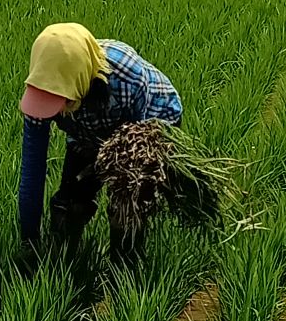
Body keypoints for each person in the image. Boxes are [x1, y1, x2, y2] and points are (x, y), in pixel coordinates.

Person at [17, 22, 182, 243]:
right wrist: (29, 241)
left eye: (60, 100)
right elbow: (32, 170)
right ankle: (61, 259)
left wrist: (122, 183)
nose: (55, 109)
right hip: (87, 129)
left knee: (127, 207)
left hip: (148, 123)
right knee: (68, 204)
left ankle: (123, 271)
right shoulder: (40, 88)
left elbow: (133, 153)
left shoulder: (128, 78)